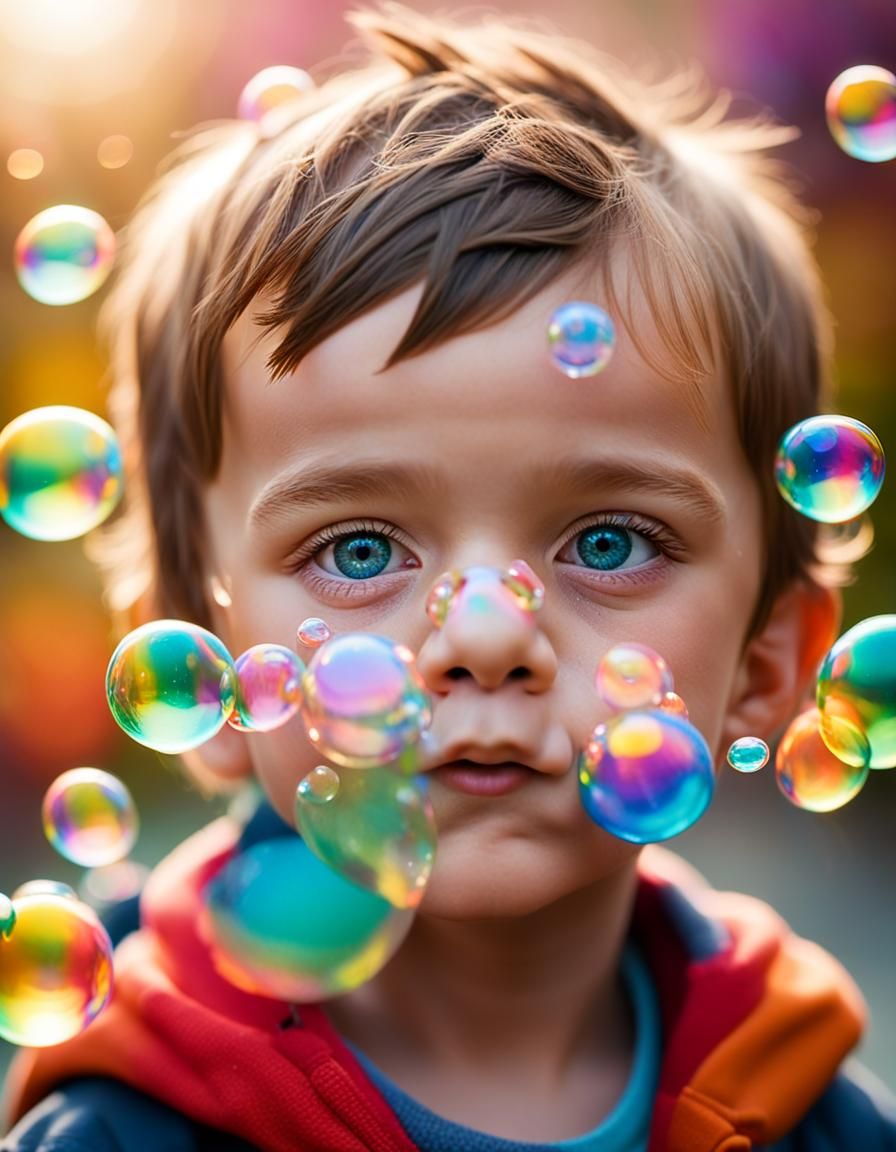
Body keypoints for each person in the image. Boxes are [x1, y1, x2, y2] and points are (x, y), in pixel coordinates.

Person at [3, 5, 895, 1150]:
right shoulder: (121, 1132)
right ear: (197, 668)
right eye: (359, 550)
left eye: (609, 541)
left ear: (770, 663)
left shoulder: (815, 1119)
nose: (482, 636)